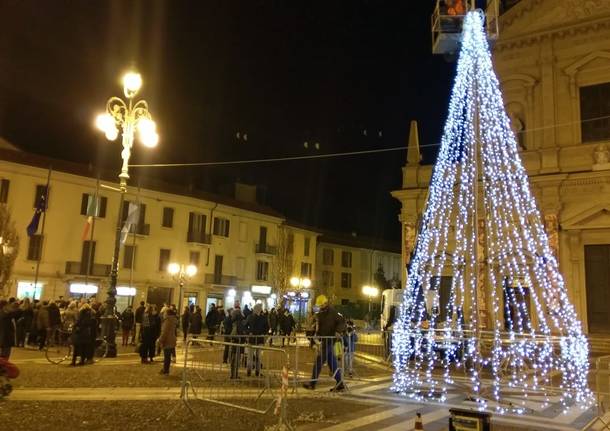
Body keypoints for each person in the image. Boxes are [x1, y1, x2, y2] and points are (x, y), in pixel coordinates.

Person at [303, 295, 346, 392]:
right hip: (325, 340)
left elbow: (341, 322)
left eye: (321, 305)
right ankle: (340, 384)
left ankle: (312, 384)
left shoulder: (333, 312)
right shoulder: (320, 312)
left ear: (325, 304)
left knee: (318, 362)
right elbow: (317, 323)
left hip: (329, 341)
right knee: (333, 365)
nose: (319, 307)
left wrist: (338, 331)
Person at [245, 303, 268, 377]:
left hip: (254, 339)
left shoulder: (250, 317)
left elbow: (245, 326)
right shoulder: (262, 318)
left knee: (252, 356)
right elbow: (266, 328)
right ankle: (255, 371)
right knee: (256, 357)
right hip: (257, 339)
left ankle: (251, 371)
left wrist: (249, 332)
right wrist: (263, 333)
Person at [158, 308, 178, 375]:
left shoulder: (168, 320)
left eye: (164, 313)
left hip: (167, 340)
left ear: (167, 313)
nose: (163, 314)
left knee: (167, 356)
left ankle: (165, 370)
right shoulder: (173, 320)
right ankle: (166, 369)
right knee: (168, 356)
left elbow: (164, 332)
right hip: (171, 339)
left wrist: (160, 340)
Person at [228, 308, 245, 379]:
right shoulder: (239, 323)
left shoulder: (233, 322)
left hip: (234, 343)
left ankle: (233, 374)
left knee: (234, 359)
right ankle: (234, 375)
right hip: (237, 343)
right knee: (235, 360)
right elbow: (239, 333)